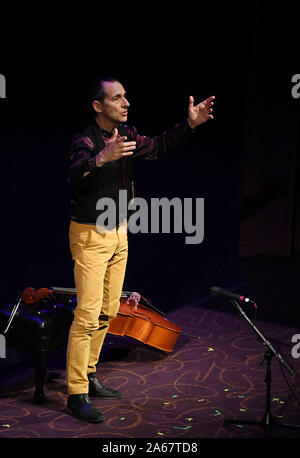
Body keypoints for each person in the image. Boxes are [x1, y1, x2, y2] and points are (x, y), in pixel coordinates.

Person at [66, 76, 214, 423]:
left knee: (106, 312)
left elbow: (159, 146)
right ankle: (76, 394)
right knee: (86, 315)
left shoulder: (128, 135)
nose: (126, 103)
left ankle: (89, 375)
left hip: (119, 232)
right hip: (91, 235)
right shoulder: (84, 140)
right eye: (117, 98)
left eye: (126, 97)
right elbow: (74, 175)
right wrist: (101, 158)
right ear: (98, 106)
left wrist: (188, 126)